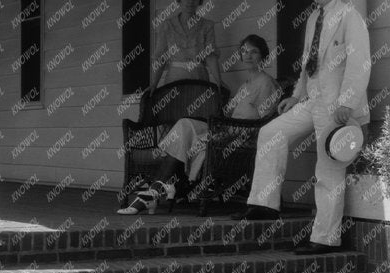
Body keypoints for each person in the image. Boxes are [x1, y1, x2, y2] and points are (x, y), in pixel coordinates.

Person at [239, 0, 370, 248]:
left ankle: (324, 239)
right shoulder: (313, 18)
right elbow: (307, 64)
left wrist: (347, 103)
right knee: (271, 133)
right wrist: (296, 95)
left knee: (328, 167)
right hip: (313, 100)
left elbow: (359, 65)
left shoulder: (350, 17)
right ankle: (264, 205)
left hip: (336, 105)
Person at [119, 34, 281, 215]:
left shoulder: (266, 83)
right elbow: (228, 114)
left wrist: (231, 133)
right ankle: (159, 189)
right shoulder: (246, 85)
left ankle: (154, 192)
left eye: (254, 52)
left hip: (241, 139)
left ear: (263, 56)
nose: (248, 55)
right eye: (244, 51)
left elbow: (266, 123)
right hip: (226, 129)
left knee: (187, 139)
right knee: (185, 125)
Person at [150, 0, 224, 92]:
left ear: (200, 1)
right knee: (176, 108)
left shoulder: (207, 25)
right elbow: (161, 58)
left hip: (199, 78)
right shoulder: (167, 25)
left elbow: (210, 56)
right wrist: (154, 84)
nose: (191, 1)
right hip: (174, 79)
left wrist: (219, 82)